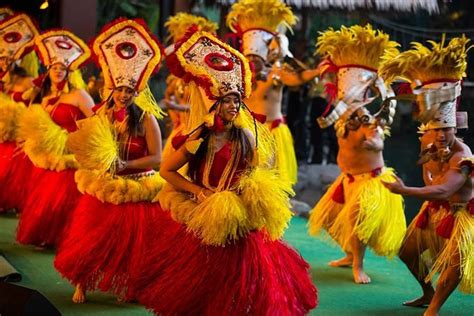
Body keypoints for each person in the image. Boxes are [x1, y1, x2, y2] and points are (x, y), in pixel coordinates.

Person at [134, 29, 317, 315]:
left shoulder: (247, 134)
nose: (234, 106)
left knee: (244, 283)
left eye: (236, 100)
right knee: (201, 286)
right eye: (228, 101)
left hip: (239, 215)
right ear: (215, 103)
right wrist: (198, 192)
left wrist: (251, 190)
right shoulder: (199, 137)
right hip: (204, 213)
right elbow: (167, 170)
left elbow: (262, 167)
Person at [54, 18, 165, 303]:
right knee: (91, 239)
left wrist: (126, 166)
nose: (124, 95)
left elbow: (158, 157)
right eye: (120, 90)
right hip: (109, 186)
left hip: (137, 187)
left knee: (134, 246)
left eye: (129, 91)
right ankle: (82, 282)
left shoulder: (147, 119)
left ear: (136, 92)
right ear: (112, 90)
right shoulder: (102, 115)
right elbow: (90, 147)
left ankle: (129, 287)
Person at [380, 35, 473, 316]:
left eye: (447, 130)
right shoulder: (428, 144)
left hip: (461, 216)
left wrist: (404, 191)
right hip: (434, 212)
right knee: (407, 253)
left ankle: (433, 309)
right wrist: (431, 160)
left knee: (454, 265)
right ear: (428, 130)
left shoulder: (463, 156)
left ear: (456, 129)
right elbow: (429, 178)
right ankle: (427, 292)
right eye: (437, 130)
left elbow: (444, 191)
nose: (442, 135)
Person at [308, 24, 406, 284]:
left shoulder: (366, 119)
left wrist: (375, 143)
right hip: (347, 179)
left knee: (357, 222)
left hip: (368, 182)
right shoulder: (343, 119)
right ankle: (349, 255)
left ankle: (358, 266)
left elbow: (378, 141)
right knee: (328, 218)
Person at [226, 0, 320, 185]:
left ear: (265, 55)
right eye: (249, 57)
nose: (252, 60)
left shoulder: (276, 72)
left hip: (272, 131)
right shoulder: (239, 76)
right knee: (244, 179)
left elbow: (296, 79)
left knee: (272, 182)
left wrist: (316, 72)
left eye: (256, 57)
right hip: (246, 131)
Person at [15, 29, 94, 247]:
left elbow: (96, 122)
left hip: (71, 159)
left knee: (63, 202)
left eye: (63, 68)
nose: (58, 72)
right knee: (46, 202)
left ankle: (65, 238)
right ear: (48, 70)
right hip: (48, 159)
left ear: (69, 72)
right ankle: (48, 237)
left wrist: (76, 136)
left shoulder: (79, 95)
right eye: (55, 68)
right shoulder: (44, 96)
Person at [161, 12, 217, 161]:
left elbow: (205, 107)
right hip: (180, 130)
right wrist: (176, 118)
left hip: (199, 132)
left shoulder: (205, 79)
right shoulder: (176, 79)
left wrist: (177, 107)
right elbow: (169, 95)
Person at [0, 13, 39, 212]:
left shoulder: (28, 81)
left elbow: (34, 109)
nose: (4, 63)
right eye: (2, 59)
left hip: (19, 136)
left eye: (8, 60)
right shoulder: (2, 82)